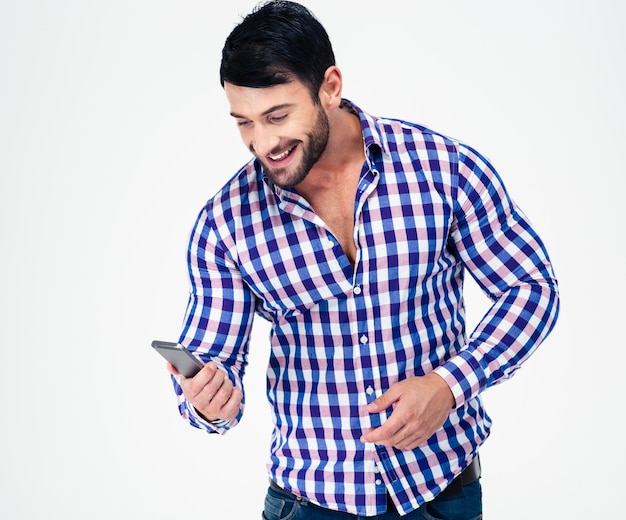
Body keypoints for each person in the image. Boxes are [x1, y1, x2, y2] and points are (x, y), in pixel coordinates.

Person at [165, 1, 560, 518]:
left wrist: (449, 385)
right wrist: (208, 400)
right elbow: (212, 364)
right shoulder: (225, 223)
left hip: (442, 493)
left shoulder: (443, 170)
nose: (263, 142)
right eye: (244, 122)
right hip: (310, 502)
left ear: (330, 86)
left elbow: (531, 288)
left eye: (278, 116)